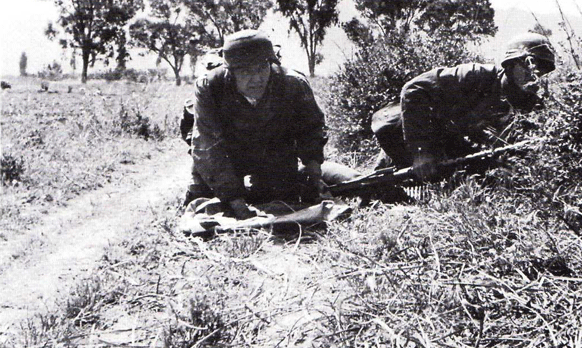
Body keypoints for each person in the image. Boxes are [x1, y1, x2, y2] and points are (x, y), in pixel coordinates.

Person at [185, 29, 359, 219]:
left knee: (278, 197)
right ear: (230, 72)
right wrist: (235, 200)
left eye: (262, 68)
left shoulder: (292, 83)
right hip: (227, 153)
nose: (257, 79)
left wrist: (314, 172)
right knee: (204, 202)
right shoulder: (210, 87)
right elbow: (207, 147)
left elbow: (311, 129)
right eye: (246, 71)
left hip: (271, 150)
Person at [371, 32, 556, 181]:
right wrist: (421, 152)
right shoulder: (476, 76)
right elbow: (413, 89)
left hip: (451, 145)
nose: (535, 74)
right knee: (375, 185)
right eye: (528, 65)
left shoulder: (531, 103)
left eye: (542, 69)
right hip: (402, 132)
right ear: (510, 65)